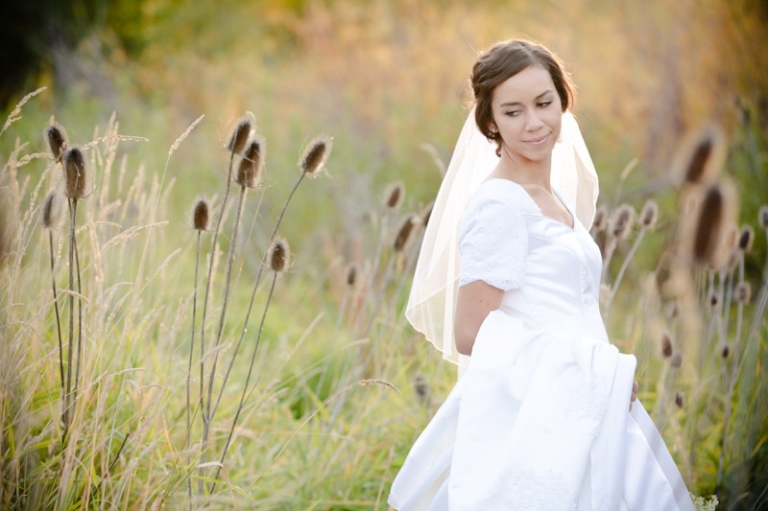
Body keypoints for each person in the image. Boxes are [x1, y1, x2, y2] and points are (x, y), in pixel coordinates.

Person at [388, 40, 695, 510]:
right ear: (490, 122)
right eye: (513, 112)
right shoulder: (501, 204)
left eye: (544, 103)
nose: (534, 122)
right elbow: (471, 332)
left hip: (587, 401)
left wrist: (601, 379)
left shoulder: (553, 197)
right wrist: (591, 370)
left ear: (563, 101)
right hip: (536, 413)